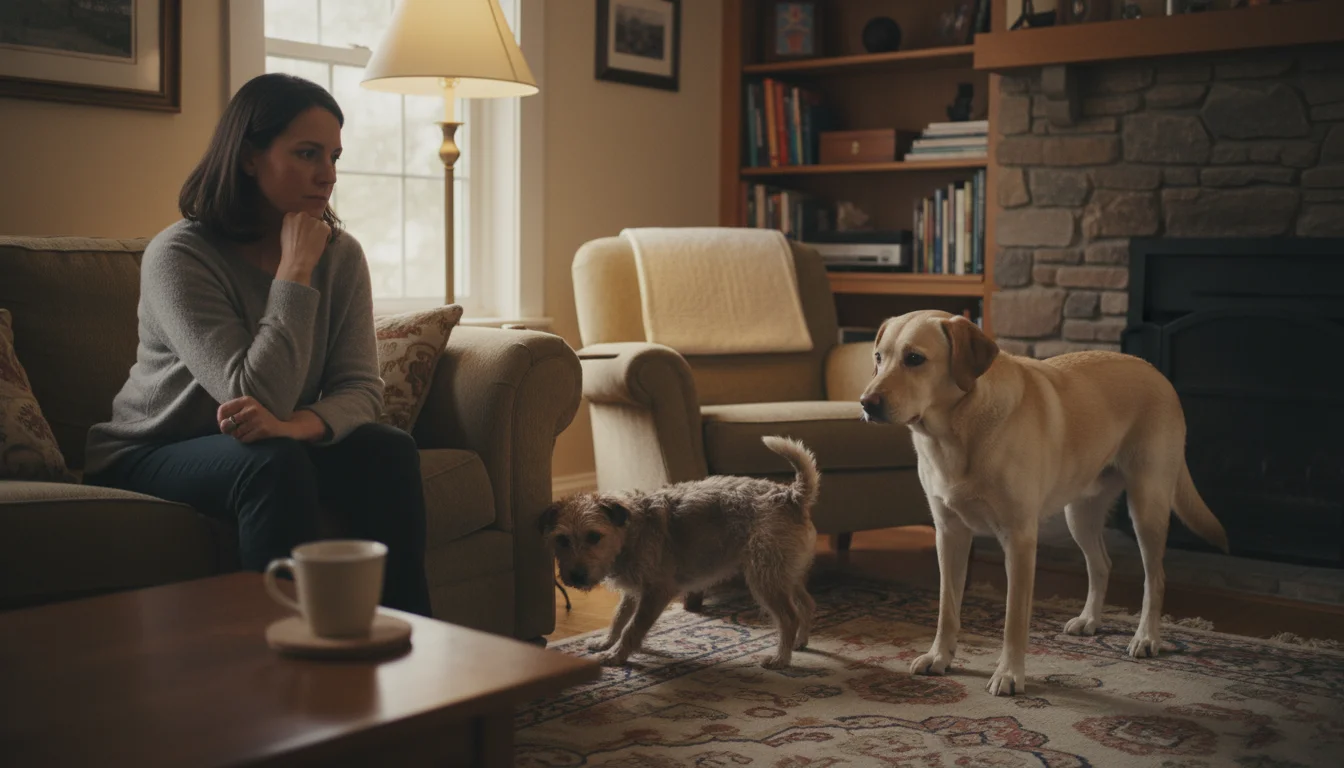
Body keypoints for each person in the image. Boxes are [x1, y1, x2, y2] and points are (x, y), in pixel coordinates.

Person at [84, 73, 432, 616]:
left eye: (335, 156)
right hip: (152, 451)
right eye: (307, 153)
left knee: (387, 449)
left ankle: (409, 645)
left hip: (274, 438)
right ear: (250, 157)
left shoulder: (341, 255)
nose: (328, 175)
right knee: (271, 461)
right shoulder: (179, 256)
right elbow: (251, 394)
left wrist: (296, 426)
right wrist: (294, 272)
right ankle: (278, 666)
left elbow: (362, 390)